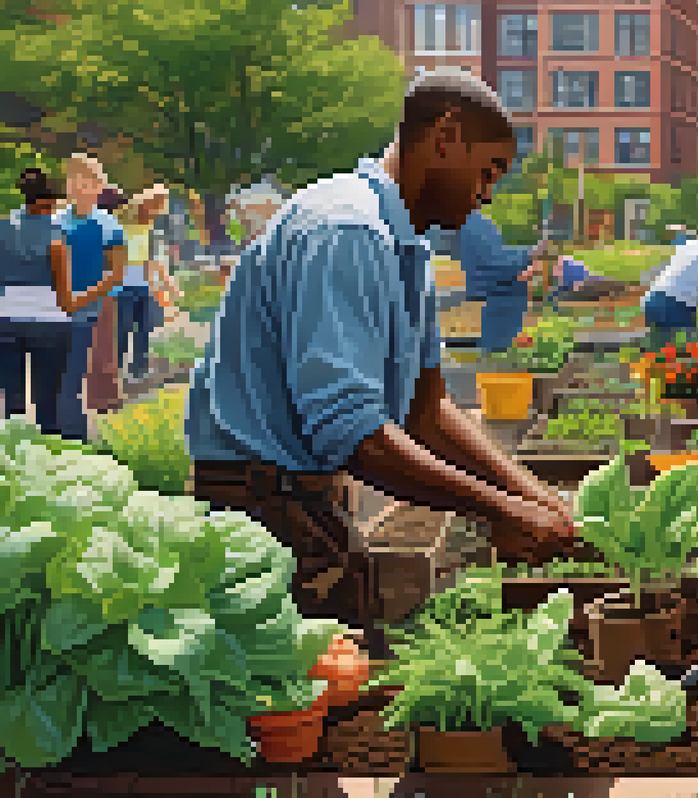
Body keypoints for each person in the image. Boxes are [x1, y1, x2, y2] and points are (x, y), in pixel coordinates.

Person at [183, 70, 577, 653]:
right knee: (309, 704)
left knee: (348, 675)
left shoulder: (404, 242)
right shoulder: (347, 228)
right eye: (488, 169)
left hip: (301, 499)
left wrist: (538, 498)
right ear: (445, 138)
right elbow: (352, 434)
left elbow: (426, 408)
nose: (488, 191)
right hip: (257, 509)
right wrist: (498, 511)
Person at [0, 169, 91, 434]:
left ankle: (12, 459)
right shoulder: (56, 233)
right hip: (49, 321)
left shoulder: (3, 227)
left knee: (12, 403)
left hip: (6, 318)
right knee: (48, 402)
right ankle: (46, 454)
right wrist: (98, 291)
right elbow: (64, 295)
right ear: (49, 201)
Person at [58, 154, 126, 437]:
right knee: (61, 371)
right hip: (58, 305)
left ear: (99, 186)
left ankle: (82, 431)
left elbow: (116, 273)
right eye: (74, 180)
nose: (79, 187)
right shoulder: (56, 221)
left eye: (87, 181)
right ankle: (61, 430)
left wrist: (83, 298)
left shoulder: (110, 226)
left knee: (88, 366)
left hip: (94, 304)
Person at [115, 184, 180, 378]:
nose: (156, 212)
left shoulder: (149, 228)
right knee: (122, 330)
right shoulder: (120, 224)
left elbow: (152, 261)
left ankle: (139, 370)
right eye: (155, 206)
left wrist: (166, 287)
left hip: (143, 287)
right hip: (122, 287)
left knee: (143, 330)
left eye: (159, 208)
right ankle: (115, 370)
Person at [459, 208, 534, 353]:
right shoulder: (475, 221)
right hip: (495, 298)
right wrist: (531, 255)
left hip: (489, 294)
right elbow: (497, 262)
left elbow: (497, 258)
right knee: (499, 355)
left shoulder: (475, 221)